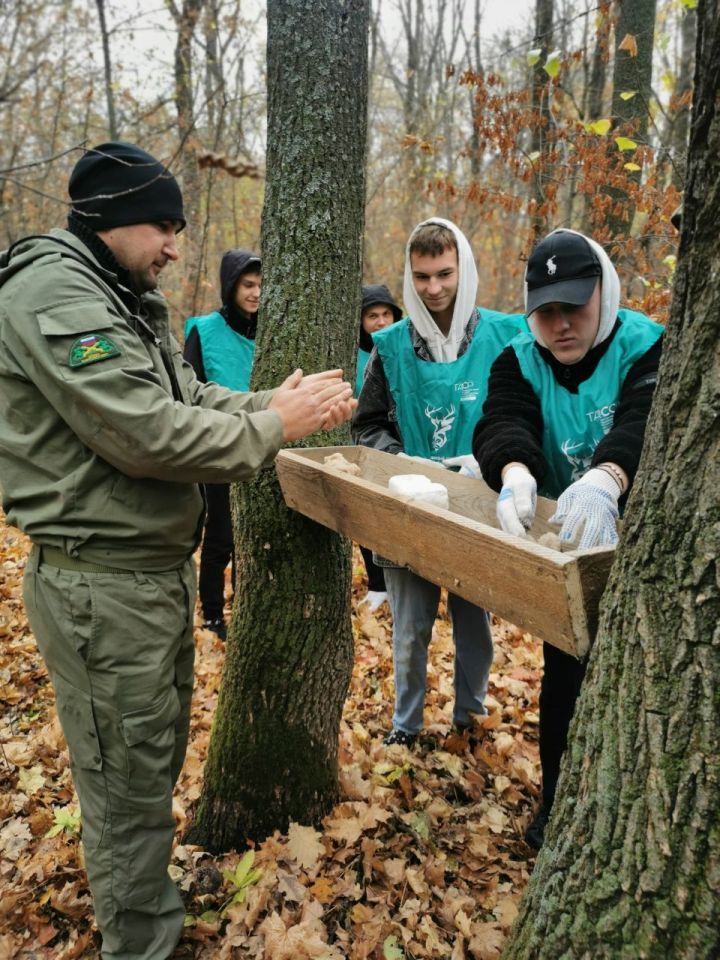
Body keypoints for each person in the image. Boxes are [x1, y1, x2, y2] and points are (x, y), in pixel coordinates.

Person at [0, 141, 354, 960]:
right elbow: (145, 433)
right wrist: (275, 431)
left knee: (146, 770)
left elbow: (184, 395)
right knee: (126, 795)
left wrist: (274, 400)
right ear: (110, 220)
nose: (172, 246)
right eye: (162, 225)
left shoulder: (119, 293)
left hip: (145, 581)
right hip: (101, 588)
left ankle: (148, 913)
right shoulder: (55, 291)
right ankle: (142, 944)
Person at [472, 227, 663, 849]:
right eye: (546, 311)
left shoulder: (647, 345)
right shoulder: (518, 358)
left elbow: (644, 417)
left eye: (574, 307)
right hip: (572, 552)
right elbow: (504, 416)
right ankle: (557, 808)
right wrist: (516, 472)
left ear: (603, 295)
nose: (560, 326)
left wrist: (608, 477)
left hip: (642, 543)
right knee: (565, 671)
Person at [352, 217, 527, 747]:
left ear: (463, 269)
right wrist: (400, 460)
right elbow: (368, 422)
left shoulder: (505, 335)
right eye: (422, 276)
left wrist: (495, 462)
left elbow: (524, 410)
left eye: (444, 274)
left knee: (474, 621)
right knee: (409, 626)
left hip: (478, 499)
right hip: (409, 499)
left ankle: (468, 715)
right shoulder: (390, 345)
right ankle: (405, 724)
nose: (434, 288)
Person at [183, 250, 263, 639]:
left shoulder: (271, 329)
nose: (256, 293)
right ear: (231, 286)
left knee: (254, 537)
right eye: (248, 285)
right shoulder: (205, 329)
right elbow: (190, 389)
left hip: (264, 442)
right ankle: (213, 613)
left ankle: (246, 609)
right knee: (220, 536)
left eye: (262, 285)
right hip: (220, 444)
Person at [355, 283, 402, 612]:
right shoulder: (350, 352)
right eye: (372, 315)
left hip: (397, 446)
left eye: (387, 314)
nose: (381, 322)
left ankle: (396, 584)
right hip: (359, 446)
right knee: (364, 518)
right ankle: (377, 584)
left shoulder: (398, 350)